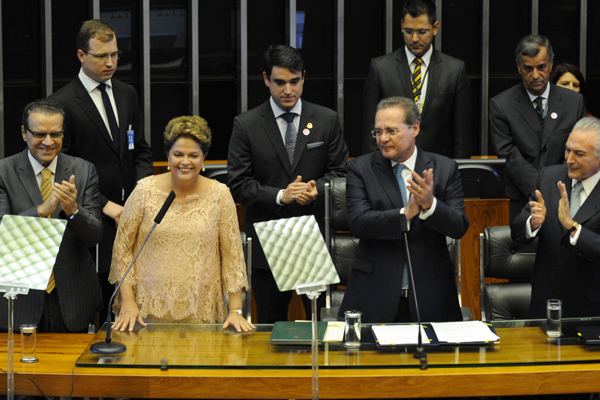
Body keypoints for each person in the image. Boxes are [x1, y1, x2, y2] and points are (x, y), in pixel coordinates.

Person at [227, 45, 349, 323]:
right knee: (271, 324)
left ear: (303, 78)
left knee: (322, 325)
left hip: (313, 235)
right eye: (280, 82)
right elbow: (238, 184)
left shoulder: (326, 119)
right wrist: (282, 195)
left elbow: (340, 173)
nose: (288, 90)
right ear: (266, 79)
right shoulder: (246, 125)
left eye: (294, 82)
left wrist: (316, 189)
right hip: (268, 238)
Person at [49, 19, 153, 326]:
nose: (110, 63)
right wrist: (106, 204)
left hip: (132, 214)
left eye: (115, 55)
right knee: (96, 304)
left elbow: (140, 150)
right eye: (101, 56)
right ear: (81, 55)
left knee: (133, 302)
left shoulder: (127, 94)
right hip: (92, 217)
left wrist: (141, 194)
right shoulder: (63, 103)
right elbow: (62, 169)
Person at [109, 115, 254, 333]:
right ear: (167, 156)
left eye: (193, 155)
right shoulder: (143, 191)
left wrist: (235, 310)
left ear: (203, 158)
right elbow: (122, 251)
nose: (185, 162)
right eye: (178, 154)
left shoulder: (220, 195)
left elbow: (233, 257)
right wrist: (128, 303)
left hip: (202, 312)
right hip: (145, 312)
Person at [340, 96, 469, 323]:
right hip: (374, 294)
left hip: (432, 295)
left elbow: (459, 226)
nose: (383, 139)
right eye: (378, 132)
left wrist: (430, 205)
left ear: (415, 128)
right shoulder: (360, 168)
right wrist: (406, 213)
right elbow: (359, 223)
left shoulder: (444, 168)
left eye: (391, 131)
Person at [0, 99, 103, 333]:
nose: (48, 142)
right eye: (39, 134)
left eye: (55, 134)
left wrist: (73, 211)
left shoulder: (84, 170)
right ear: (24, 133)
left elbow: (95, 235)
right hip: (21, 297)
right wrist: (39, 211)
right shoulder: (4, 172)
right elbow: (1, 232)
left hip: (73, 296)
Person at [489, 35, 586, 222]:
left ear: (550, 64)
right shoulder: (501, 104)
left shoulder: (573, 102)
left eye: (541, 67)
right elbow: (507, 154)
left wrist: (558, 188)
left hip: (566, 195)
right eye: (528, 68)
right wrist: (544, 188)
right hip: (522, 198)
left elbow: (579, 149)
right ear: (519, 68)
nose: (535, 75)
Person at [512, 117, 600, 318]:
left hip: (592, 310)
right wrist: (532, 222)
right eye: (568, 150)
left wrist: (574, 228)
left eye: (579, 154)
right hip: (545, 304)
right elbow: (517, 231)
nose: (569, 159)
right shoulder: (550, 176)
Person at [362, 0, 472, 158]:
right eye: (408, 31)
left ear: (435, 28)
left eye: (421, 32)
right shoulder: (381, 68)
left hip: (438, 167)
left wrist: (458, 173)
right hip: (392, 166)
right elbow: (370, 129)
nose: (414, 38)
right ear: (401, 26)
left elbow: (462, 134)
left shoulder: (454, 70)